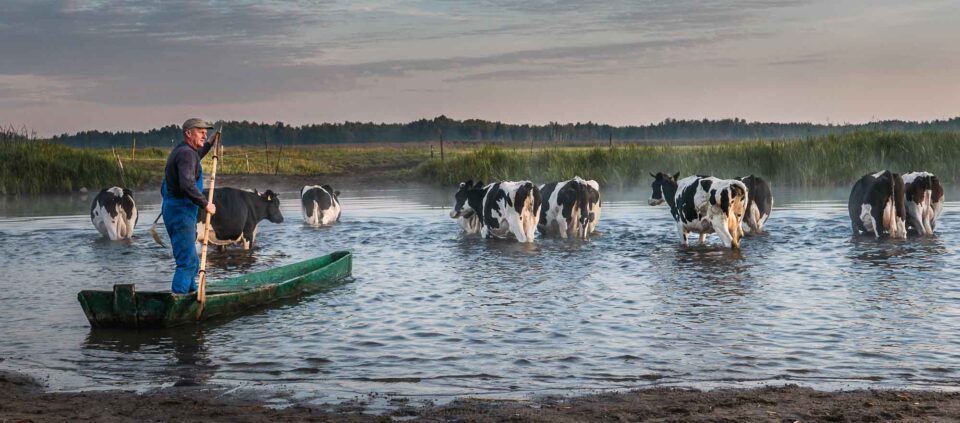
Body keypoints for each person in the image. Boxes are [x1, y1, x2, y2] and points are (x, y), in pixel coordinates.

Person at [161, 118, 217, 294]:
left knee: (191, 260)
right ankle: (178, 299)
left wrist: (209, 144)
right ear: (188, 133)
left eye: (205, 132)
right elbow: (187, 185)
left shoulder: (184, 151)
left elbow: (195, 158)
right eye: (201, 131)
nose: (204, 134)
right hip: (181, 213)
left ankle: (192, 293)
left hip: (177, 211)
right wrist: (206, 204)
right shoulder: (186, 154)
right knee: (187, 262)